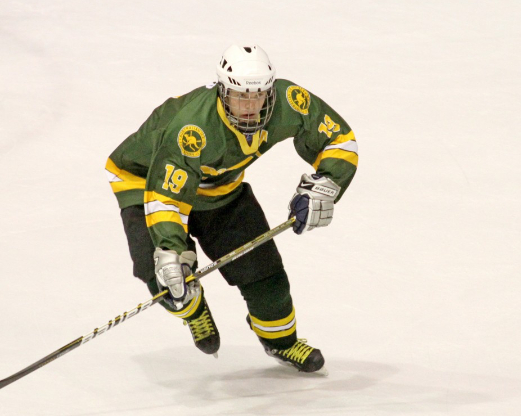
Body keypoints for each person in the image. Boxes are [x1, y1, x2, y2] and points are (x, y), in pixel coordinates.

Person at [106, 45, 357, 373]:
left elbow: (339, 138)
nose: (250, 106)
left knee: (265, 276)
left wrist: (328, 183)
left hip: (218, 188)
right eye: (240, 96)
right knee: (164, 274)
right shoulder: (191, 128)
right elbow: (166, 197)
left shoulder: (288, 101)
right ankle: (193, 308)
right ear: (223, 92)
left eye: (258, 95)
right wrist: (171, 251)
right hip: (145, 183)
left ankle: (281, 342)